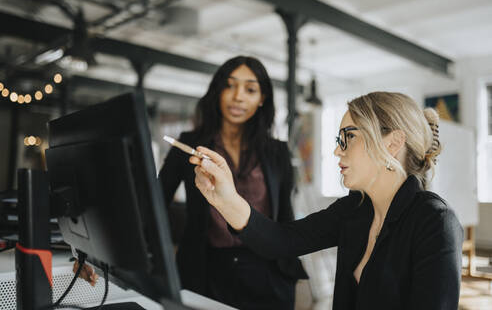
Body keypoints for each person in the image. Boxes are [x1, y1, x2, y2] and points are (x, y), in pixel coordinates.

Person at [190, 91, 464, 310]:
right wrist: (225, 199)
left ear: (393, 143)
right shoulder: (355, 209)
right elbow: (282, 240)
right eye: (338, 139)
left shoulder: (435, 222)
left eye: (348, 137)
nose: (336, 150)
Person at [158, 56, 307, 309]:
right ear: (217, 91)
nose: (238, 96)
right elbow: (154, 201)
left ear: (262, 99)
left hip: (268, 273)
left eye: (250, 89)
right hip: (205, 271)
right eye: (230, 85)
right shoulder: (189, 143)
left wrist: (289, 273)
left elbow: (285, 216)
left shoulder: (277, 152)